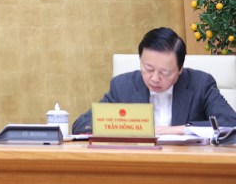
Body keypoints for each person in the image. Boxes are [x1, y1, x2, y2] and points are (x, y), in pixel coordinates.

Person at [72, 27, 236, 135]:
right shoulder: (123, 85)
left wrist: (172, 130)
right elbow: (82, 125)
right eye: (148, 69)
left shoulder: (200, 84)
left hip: (187, 167)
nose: (155, 78)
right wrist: (129, 129)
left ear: (180, 69)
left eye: (165, 72)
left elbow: (230, 123)